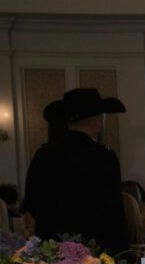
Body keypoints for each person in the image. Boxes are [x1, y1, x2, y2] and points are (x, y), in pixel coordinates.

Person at [23, 88, 129, 255]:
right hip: (94, 251)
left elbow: (31, 201)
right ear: (97, 121)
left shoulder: (44, 154)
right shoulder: (103, 157)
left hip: (52, 249)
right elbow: (113, 211)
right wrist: (121, 253)